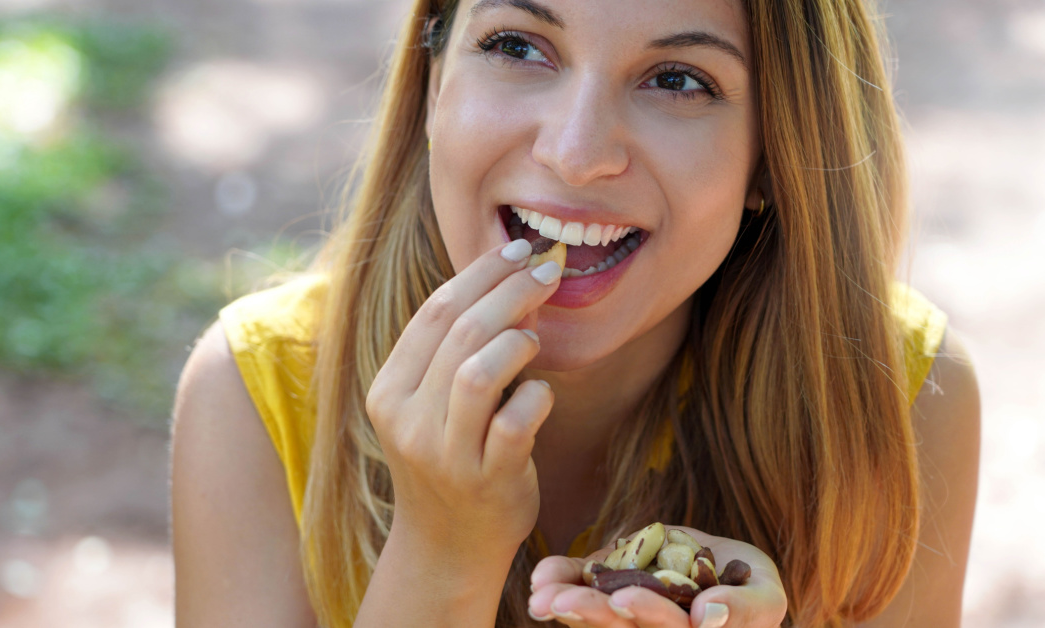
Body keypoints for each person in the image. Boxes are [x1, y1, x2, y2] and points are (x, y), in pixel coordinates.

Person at [170, 0, 981, 626]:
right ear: (432, 86)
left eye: (677, 80)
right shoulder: (259, 393)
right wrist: (443, 554)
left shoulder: (901, 399)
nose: (576, 151)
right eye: (517, 45)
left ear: (774, 155)